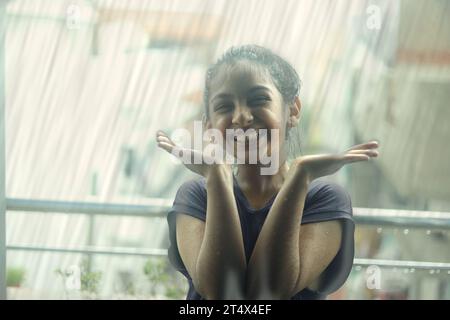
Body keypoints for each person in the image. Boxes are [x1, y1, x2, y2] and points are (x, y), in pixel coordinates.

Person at [156, 45, 379, 300]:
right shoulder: (197, 195)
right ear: (209, 124)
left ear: (292, 110)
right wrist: (216, 175)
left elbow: (269, 292)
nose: (241, 117)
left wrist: (300, 176)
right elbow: (220, 294)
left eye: (259, 99)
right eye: (224, 106)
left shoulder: (324, 198)